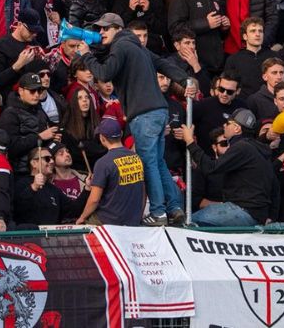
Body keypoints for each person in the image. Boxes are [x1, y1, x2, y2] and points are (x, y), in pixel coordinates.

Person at [76, 13, 195, 225]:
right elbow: (164, 64)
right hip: (159, 110)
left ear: (118, 29)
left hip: (143, 114)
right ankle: (175, 208)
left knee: (149, 163)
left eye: (105, 28)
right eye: (100, 29)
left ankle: (158, 213)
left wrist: (86, 56)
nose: (101, 32)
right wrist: (185, 79)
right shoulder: (139, 47)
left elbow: (105, 73)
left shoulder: (121, 46)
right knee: (158, 163)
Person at [180, 108, 276, 226]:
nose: (224, 125)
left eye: (227, 123)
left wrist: (190, 141)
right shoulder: (254, 148)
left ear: (237, 128)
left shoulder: (241, 147)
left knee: (187, 223)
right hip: (254, 212)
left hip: (243, 211)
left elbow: (211, 168)